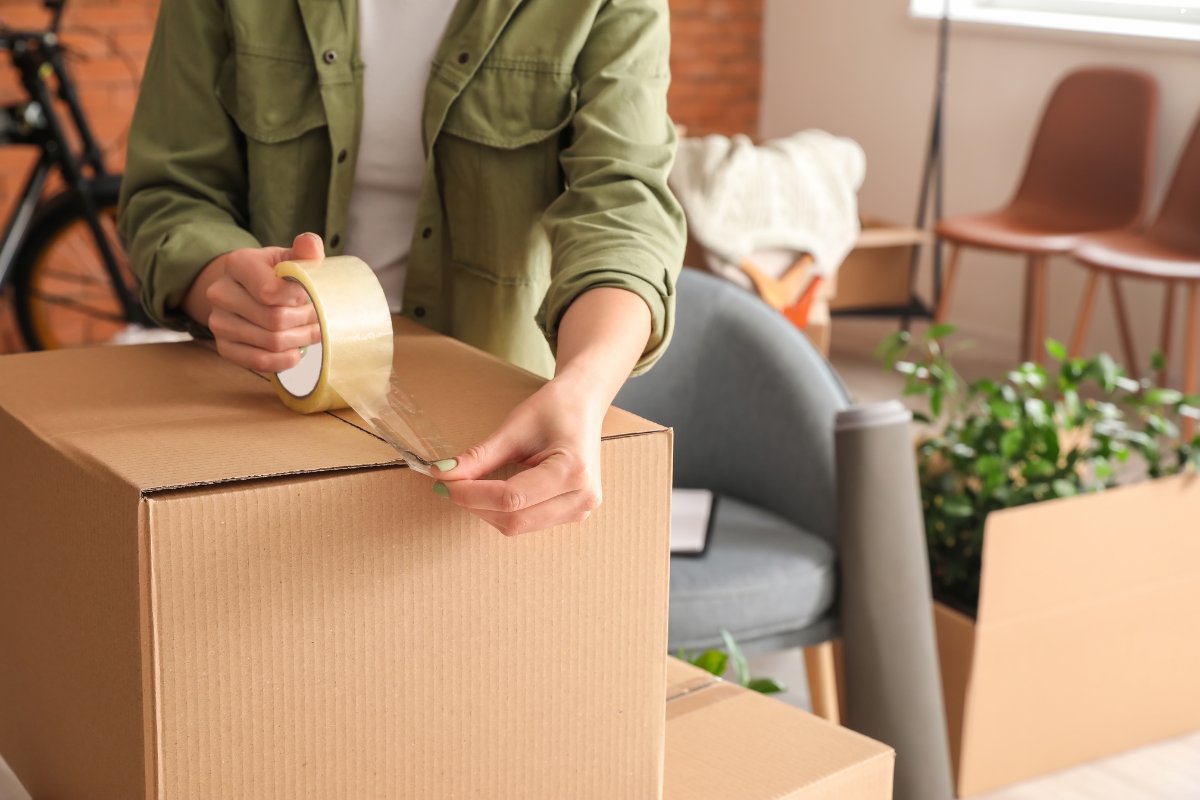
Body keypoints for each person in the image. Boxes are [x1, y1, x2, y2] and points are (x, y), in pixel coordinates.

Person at [118, 0, 686, 536]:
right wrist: (223, 284)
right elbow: (171, 191)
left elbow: (623, 206)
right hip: (270, 395)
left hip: (497, 412)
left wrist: (582, 389)